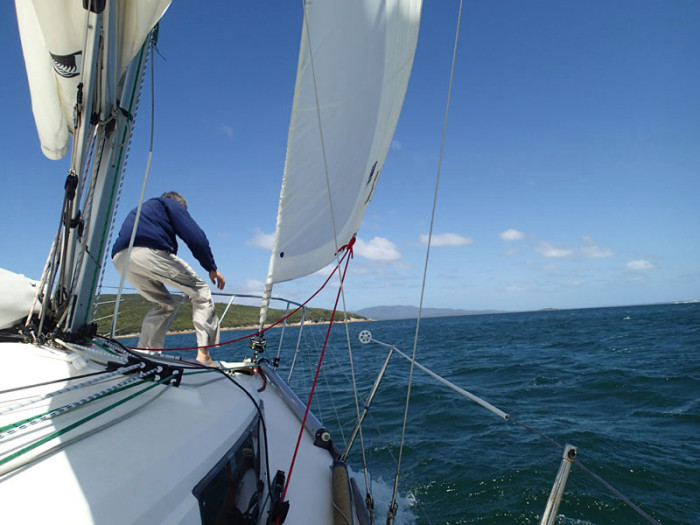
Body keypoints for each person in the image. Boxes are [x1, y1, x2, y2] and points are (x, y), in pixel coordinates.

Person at [112, 192, 225, 365]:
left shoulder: (143, 211)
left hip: (120, 259)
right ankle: (204, 356)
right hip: (148, 251)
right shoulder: (170, 204)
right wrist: (211, 267)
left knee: (164, 304)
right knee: (201, 291)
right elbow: (196, 237)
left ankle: (146, 353)